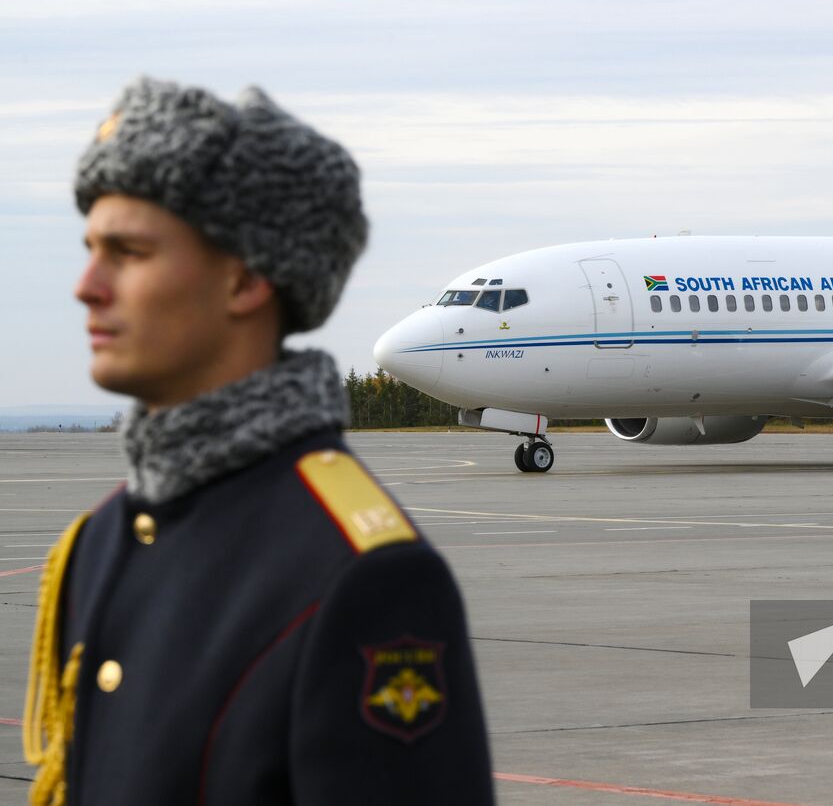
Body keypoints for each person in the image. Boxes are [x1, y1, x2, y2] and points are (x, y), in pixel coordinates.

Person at [23, 78, 495, 805]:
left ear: (245, 279)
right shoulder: (100, 542)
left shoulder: (365, 577)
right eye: (91, 247)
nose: (87, 284)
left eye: (129, 251)